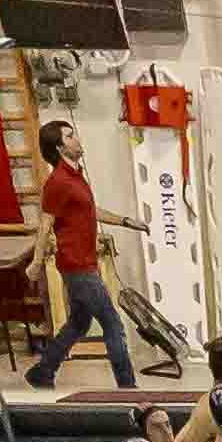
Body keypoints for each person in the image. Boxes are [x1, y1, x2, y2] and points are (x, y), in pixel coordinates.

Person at [29, 120, 145, 391]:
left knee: (80, 323)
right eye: (70, 136)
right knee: (113, 325)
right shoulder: (57, 182)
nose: (77, 139)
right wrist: (36, 263)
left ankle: (43, 370)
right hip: (76, 265)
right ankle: (128, 388)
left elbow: (92, 211)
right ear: (60, 148)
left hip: (84, 263)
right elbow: (45, 225)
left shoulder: (76, 175)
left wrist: (126, 221)